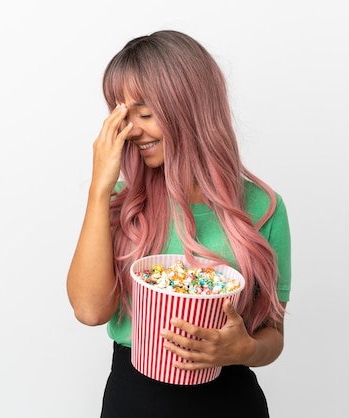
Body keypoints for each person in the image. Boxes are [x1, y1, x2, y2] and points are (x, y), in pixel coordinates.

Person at [66, 30, 291, 418]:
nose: (132, 130)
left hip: (230, 401)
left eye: (146, 113)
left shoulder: (262, 208)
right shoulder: (120, 201)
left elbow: (273, 334)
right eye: (121, 114)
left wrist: (246, 350)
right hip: (134, 400)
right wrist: (99, 188)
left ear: (188, 109)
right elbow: (89, 311)